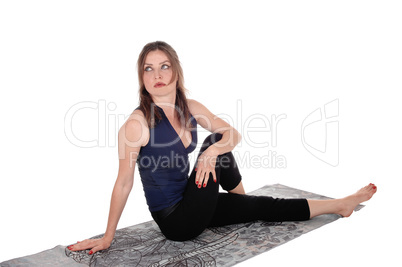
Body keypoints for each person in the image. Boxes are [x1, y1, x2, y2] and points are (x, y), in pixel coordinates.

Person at [68, 41, 377, 255]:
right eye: (148, 69)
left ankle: (340, 204)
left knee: (259, 201)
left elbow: (233, 134)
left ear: (175, 71)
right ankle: (242, 201)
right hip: (176, 221)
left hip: (195, 201)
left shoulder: (191, 107)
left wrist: (212, 154)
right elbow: (123, 182)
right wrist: (108, 236)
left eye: (164, 66)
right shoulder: (137, 125)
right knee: (214, 143)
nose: (158, 75)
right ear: (142, 77)